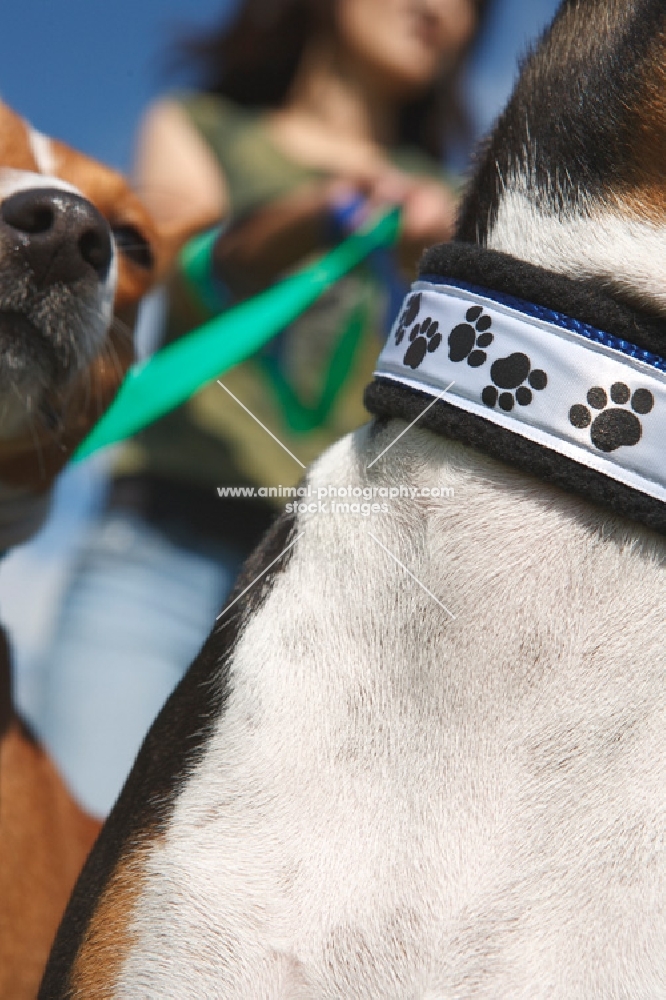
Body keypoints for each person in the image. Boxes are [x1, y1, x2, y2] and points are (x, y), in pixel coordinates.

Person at [37, 0, 490, 817]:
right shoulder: (202, 127)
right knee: (70, 850)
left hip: (336, 591)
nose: (442, 10)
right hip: (155, 556)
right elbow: (194, 259)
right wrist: (328, 213)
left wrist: (447, 259)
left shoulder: (461, 204)